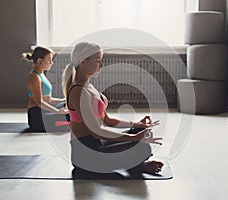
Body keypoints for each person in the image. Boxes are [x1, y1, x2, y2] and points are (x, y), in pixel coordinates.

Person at [62, 41, 164, 175]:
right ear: (83, 62)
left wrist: (136, 124)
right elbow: (96, 131)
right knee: (141, 147)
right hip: (85, 156)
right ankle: (138, 165)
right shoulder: (78, 92)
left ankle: (137, 163)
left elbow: (107, 120)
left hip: (97, 144)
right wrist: (133, 138)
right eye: (98, 61)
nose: (101, 65)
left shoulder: (89, 87)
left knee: (140, 131)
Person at [22, 46, 70, 132]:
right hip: (36, 116)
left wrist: (63, 100)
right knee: (69, 115)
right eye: (49, 60)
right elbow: (39, 102)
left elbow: (48, 99)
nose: (51, 62)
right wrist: (57, 111)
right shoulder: (34, 77)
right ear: (40, 61)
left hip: (42, 111)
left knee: (69, 105)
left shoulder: (41, 75)